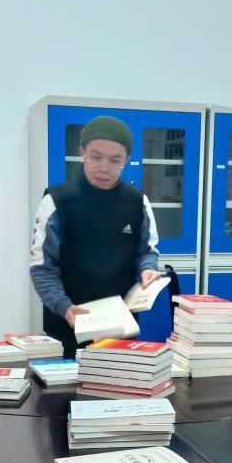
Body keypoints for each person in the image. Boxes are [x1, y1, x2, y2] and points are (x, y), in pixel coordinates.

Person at [30, 116, 161, 355]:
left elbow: (146, 251)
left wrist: (148, 269)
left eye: (115, 160)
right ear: (82, 153)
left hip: (120, 329)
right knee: (67, 379)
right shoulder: (57, 201)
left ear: (126, 160)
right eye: (96, 157)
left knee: (119, 379)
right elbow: (42, 268)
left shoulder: (137, 202)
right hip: (65, 328)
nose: (104, 167)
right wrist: (63, 306)